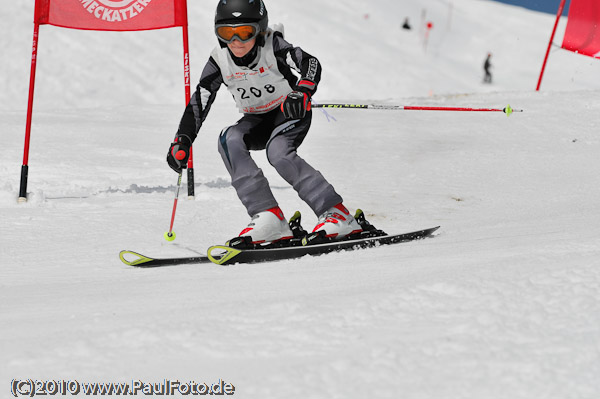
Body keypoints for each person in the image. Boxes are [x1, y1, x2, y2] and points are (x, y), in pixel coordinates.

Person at [167, 0, 362, 245]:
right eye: (227, 33)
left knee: (278, 152)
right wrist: (183, 138)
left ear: (259, 29)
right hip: (256, 120)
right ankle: (269, 217)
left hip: (289, 111)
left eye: (244, 32)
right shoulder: (220, 60)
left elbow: (310, 63)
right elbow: (200, 99)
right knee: (229, 138)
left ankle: (337, 213)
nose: (236, 41)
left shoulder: (273, 45)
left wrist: (302, 92)